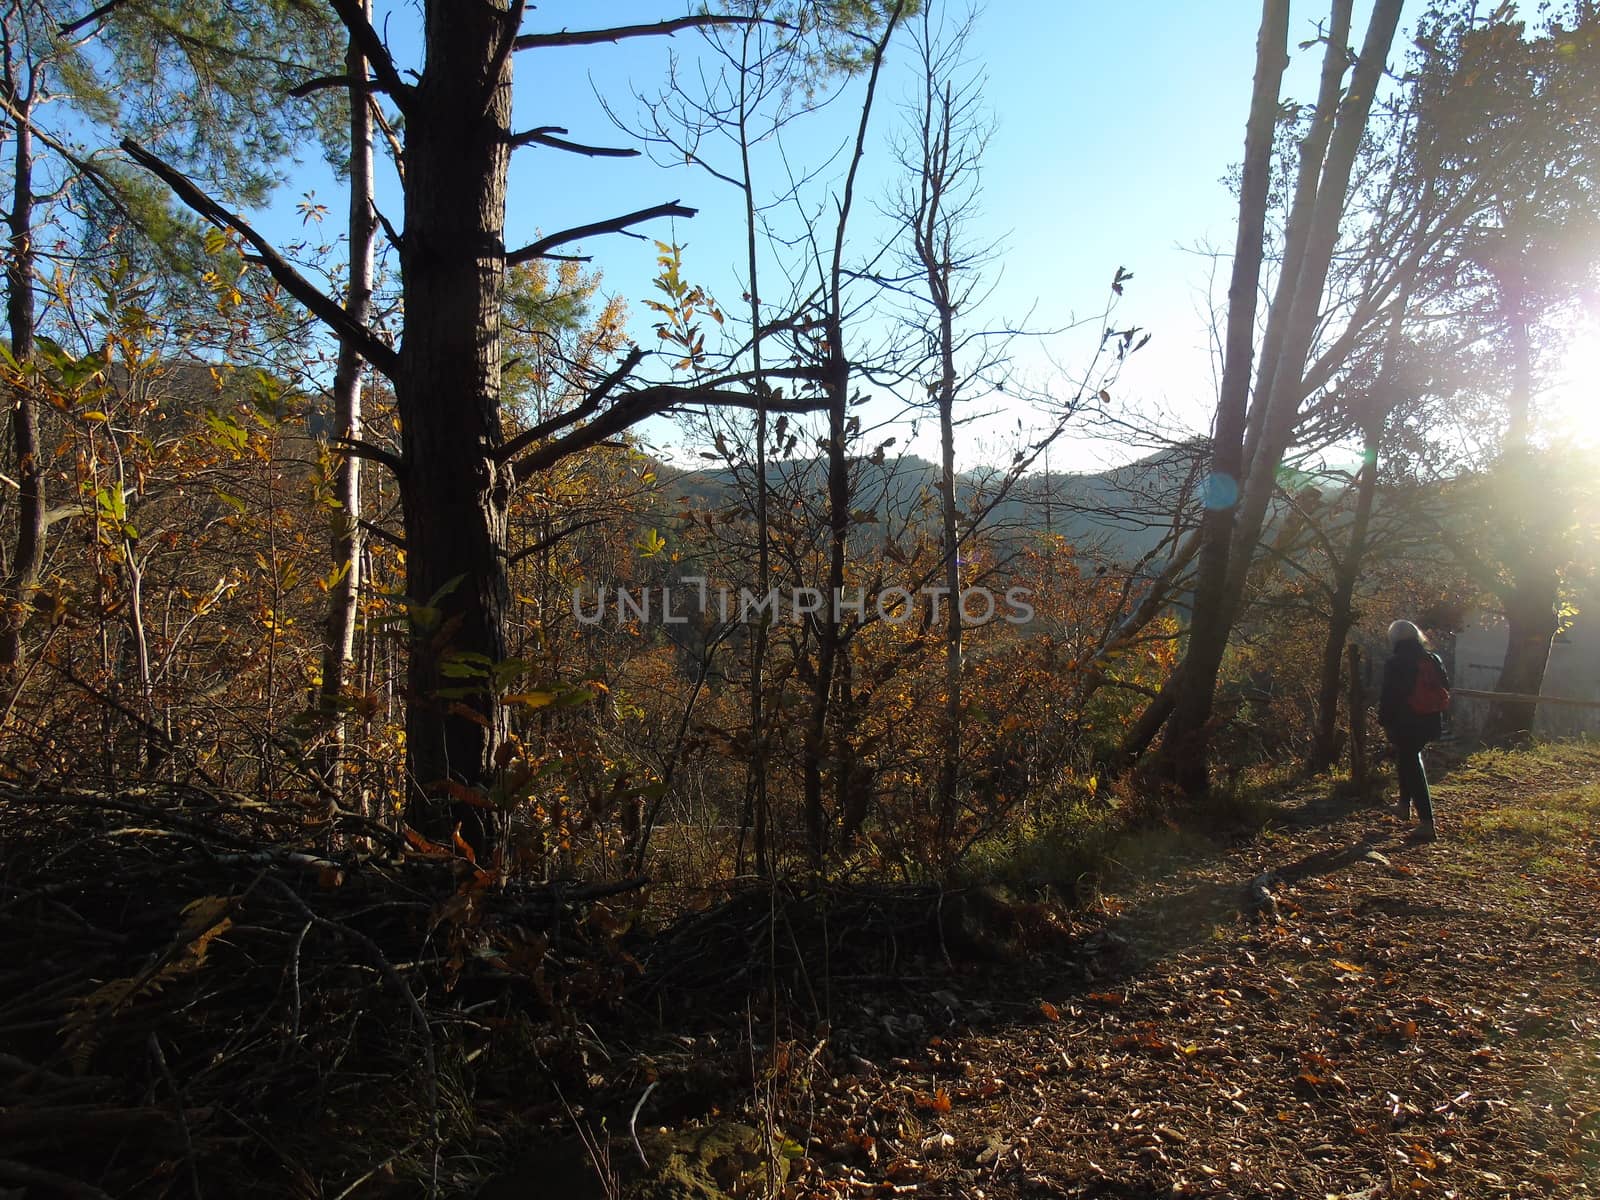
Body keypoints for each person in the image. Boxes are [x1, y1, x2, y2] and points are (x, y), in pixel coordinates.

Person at [1378, 619, 1449, 841]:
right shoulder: (1432, 658)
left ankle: (1427, 822)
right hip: (1430, 720)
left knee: (1411, 762)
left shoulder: (1397, 663)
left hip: (1407, 721)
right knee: (1406, 756)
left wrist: (1384, 721)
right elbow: (1445, 687)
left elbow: (1390, 696)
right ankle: (1403, 805)